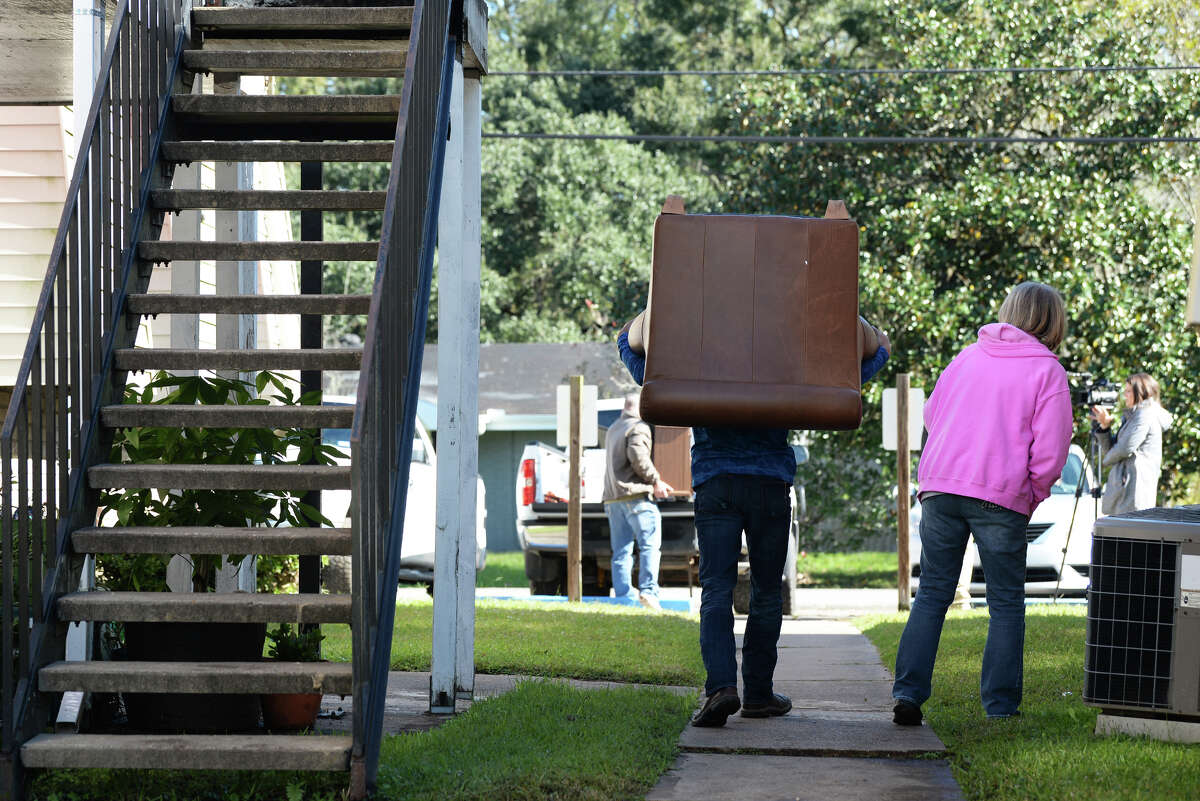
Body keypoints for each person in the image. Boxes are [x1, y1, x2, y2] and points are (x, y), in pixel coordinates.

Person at [618, 316, 890, 727]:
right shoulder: (784, 361)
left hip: (717, 483)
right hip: (769, 485)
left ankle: (721, 688)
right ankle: (759, 693)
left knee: (716, 590)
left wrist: (625, 341)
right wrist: (881, 350)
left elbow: (649, 377)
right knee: (765, 592)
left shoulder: (700, 359)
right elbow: (845, 383)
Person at [892, 281, 1073, 726]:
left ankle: (908, 694)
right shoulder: (1048, 371)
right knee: (1006, 602)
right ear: (1053, 321)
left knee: (932, 593)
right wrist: (1030, 495)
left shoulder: (968, 356)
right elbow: (1051, 451)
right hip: (1000, 496)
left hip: (941, 486)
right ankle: (1000, 707)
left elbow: (932, 415)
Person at [602, 392, 674, 610]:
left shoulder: (614, 428)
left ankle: (623, 597)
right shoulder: (638, 427)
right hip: (636, 497)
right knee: (650, 546)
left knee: (621, 551)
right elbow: (638, 456)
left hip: (613, 499)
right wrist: (656, 481)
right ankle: (649, 592)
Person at [1090, 373, 1172, 515]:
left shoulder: (1145, 415)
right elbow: (1111, 449)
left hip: (1134, 493)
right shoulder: (1134, 417)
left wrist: (1106, 460)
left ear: (1140, 391)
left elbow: (1123, 449)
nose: (1124, 395)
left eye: (1128, 391)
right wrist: (1105, 427)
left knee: (1129, 536)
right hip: (1125, 493)